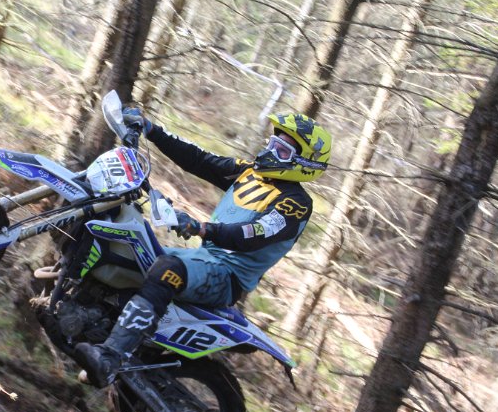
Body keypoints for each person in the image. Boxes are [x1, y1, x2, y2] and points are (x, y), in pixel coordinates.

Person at [73, 110, 332, 387]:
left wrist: (203, 228)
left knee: (167, 270)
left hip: (227, 276)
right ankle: (79, 315)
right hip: (201, 258)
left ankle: (111, 357)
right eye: (271, 143)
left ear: (303, 163)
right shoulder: (249, 173)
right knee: (123, 247)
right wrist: (151, 129)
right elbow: (199, 159)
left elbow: (254, 233)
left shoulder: (296, 203)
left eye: (281, 150)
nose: (269, 151)